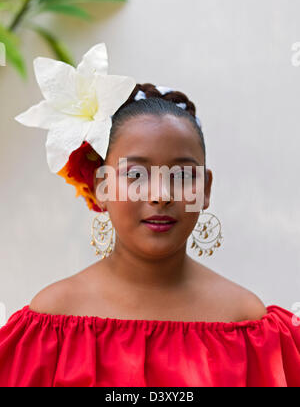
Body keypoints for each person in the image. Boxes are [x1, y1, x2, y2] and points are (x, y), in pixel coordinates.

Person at [0, 43, 300, 387]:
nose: (160, 194)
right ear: (102, 186)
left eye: (182, 175)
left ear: (204, 190)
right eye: (135, 175)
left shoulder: (251, 327)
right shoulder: (50, 323)